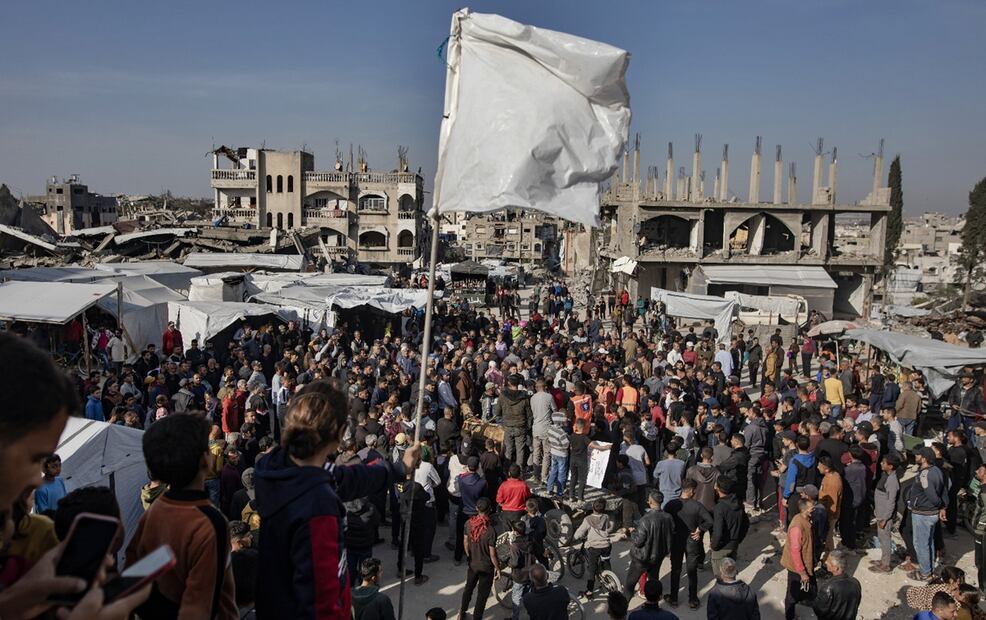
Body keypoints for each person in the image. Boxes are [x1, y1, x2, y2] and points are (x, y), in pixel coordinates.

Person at [253, 380, 420, 618]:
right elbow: (321, 602)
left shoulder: (279, 466)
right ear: (340, 434)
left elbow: (347, 479)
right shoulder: (317, 505)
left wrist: (397, 469)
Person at [125, 413, 237, 619]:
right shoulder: (210, 522)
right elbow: (200, 604)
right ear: (205, 460)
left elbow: (133, 575)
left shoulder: (154, 512)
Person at [907, 447, 948, 581]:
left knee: (920, 544)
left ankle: (925, 573)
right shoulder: (936, 470)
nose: (916, 457)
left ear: (924, 458)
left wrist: (938, 504)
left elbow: (932, 496)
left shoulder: (925, 475)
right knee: (928, 542)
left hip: (923, 514)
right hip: (930, 514)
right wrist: (942, 507)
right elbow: (944, 490)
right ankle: (928, 569)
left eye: (918, 455)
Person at [624, 489, 673, 601]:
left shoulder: (645, 520)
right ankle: (653, 604)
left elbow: (638, 542)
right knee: (653, 583)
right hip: (658, 556)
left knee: (629, 585)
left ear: (650, 502)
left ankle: (623, 607)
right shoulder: (668, 517)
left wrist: (632, 533)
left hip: (642, 558)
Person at [459, 497, 499, 620]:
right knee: (482, 595)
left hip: (473, 564)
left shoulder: (468, 524)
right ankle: (477, 617)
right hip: (486, 567)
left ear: (477, 508)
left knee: (468, 589)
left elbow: (465, 542)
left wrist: (469, 556)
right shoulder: (490, 530)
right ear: (490, 510)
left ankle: (462, 612)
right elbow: (492, 554)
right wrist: (498, 568)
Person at [572, 498, 615, 600]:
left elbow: (580, 532)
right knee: (606, 562)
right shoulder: (606, 517)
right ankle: (610, 580)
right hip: (606, 545)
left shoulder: (588, 519)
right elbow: (609, 527)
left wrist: (575, 537)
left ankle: (590, 591)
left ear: (592, 507)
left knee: (592, 569)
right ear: (604, 509)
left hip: (594, 547)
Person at [781, 498, 816, 620]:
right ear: (804, 509)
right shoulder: (797, 527)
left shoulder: (806, 519)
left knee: (810, 586)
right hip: (796, 567)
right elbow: (795, 552)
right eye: (811, 507)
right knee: (792, 594)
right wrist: (802, 572)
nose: (814, 509)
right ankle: (790, 616)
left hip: (805, 562)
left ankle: (804, 600)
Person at [871, 453, 902, 573]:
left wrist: (885, 518)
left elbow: (891, 502)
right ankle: (883, 560)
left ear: (891, 466)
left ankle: (886, 565)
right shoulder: (886, 476)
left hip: (885, 516)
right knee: (882, 538)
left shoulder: (892, 481)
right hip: (881, 514)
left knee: (885, 539)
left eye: (884, 463)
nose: (881, 464)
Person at [710, 478, 746, 579]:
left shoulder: (720, 507)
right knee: (730, 575)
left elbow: (718, 532)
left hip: (721, 547)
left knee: (720, 577)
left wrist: (714, 546)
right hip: (734, 545)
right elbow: (745, 525)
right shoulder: (739, 503)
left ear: (718, 488)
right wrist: (738, 539)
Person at [811, 550, 862, 620]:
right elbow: (855, 604)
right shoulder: (855, 583)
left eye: (828, 562)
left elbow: (819, 610)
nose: (825, 562)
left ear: (836, 568)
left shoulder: (828, 587)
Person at [508, 520, 534, 620]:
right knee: (528, 594)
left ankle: (515, 618)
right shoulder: (530, 539)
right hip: (530, 573)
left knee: (516, 598)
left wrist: (508, 562)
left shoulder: (515, 546)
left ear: (515, 532)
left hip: (519, 576)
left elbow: (514, 563)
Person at [971, 463, 986, 598]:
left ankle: (983, 589)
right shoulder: (982, 489)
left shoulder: (985, 493)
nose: (976, 471)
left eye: (980, 470)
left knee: (981, 561)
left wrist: (980, 525)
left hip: (982, 531)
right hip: (980, 529)